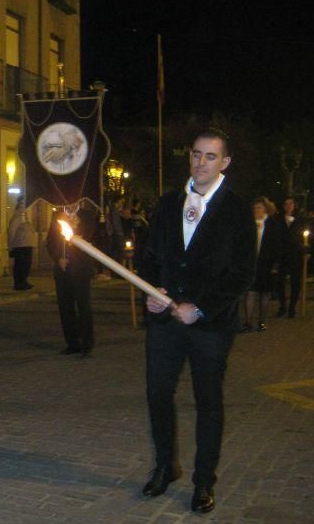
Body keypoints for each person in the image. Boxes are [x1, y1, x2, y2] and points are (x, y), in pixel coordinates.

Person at [141, 128, 255, 514]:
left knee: (208, 402)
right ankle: (164, 466)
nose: (200, 162)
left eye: (210, 156)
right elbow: (151, 255)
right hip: (164, 324)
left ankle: (203, 480)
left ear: (224, 162)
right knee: (158, 393)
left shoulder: (238, 210)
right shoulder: (169, 202)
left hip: (210, 326)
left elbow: (242, 273)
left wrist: (200, 307)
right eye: (195, 154)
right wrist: (153, 292)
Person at [46, 205, 96, 358]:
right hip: (63, 268)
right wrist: (58, 257)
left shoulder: (87, 215)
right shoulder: (58, 216)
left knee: (83, 304)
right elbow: (50, 241)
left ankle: (87, 343)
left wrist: (78, 228)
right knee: (66, 305)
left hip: (81, 267)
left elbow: (93, 238)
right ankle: (72, 343)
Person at [241, 197, 281, 332]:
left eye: (259, 207)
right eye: (254, 208)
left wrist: (275, 265)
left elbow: (276, 246)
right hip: (252, 264)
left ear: (265, 209)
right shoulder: (248, 224)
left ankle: (262, 321)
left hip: (267, 265)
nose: (256, 210)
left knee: (264, 294)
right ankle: (248, 322)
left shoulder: (272, 224)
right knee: (250, 292)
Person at [275, 196, 307, 318]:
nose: (288, 206)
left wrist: (305, 249)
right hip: (281, 255)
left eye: (291, 204)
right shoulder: (278, 220)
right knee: (280, 282)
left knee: (295, 282)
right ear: (284, 206)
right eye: (286, 204)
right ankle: (282, 306)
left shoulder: (300, 220)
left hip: (295, 255)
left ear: (294, 206)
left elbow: (305, 235)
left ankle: (292, 308)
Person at [8, 196, 37, 290]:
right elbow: (12, 232)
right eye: (22, 204)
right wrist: (11, 246)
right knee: (20, 264)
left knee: (27, 264)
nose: (24, 207)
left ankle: (24, 280)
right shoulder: (17, 217)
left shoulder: (26, 217)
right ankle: (19, 283)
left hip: (27, 245)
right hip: (20, 245)